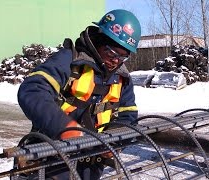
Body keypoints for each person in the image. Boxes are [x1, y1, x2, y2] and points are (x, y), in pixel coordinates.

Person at [16, 9, 141, 179]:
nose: (115, 61)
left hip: (90, 164)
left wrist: (114, 140)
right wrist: (62, 126)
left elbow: (129, 115)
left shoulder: (122, 78)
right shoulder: (69, 60)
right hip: (50, 159)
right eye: (111, 53)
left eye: (123, 57)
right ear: (99, 39)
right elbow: (32, 91)